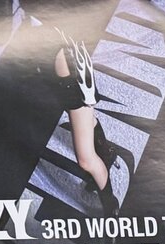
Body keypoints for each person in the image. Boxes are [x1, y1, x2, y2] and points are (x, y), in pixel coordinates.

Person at [48, 22, 131, 215]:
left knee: (85, 160)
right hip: (56, 69)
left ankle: (110, 204)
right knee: (85, 122)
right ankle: (107, 153)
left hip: (72, 76)